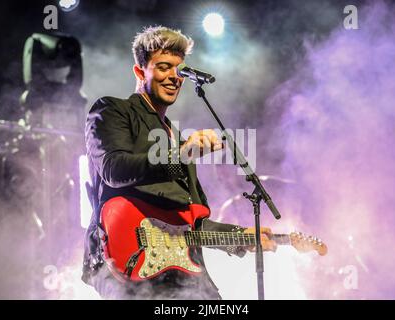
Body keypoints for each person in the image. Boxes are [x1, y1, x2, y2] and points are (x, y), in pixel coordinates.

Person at [82, 26, 277, 300]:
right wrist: (182, 155)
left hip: (183, 271)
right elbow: (114, 169)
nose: (175, 77)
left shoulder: (176, 138)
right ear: (140, 72)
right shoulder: (113, 110)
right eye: (163, 67)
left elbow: (191, 223)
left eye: (180, 69)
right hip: (125, 260)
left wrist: (241, 235)